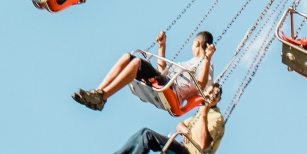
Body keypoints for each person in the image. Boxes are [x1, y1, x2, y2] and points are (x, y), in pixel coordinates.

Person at [72, 29, 214, 112]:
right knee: (127, 56)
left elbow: (200, 85)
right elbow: (161, 70)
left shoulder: (206, 65)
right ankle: (97, 92)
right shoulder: (188, 62)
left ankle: (102, 97)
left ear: (196, 43)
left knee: (137, 62)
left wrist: (207, 58)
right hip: (165, 82)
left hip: (174, 91)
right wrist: (162, 46)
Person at [103, 82, 225, 154]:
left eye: (216, 95)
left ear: (218, 99)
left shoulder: (216, 117)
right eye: (209, 93)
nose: (211, 96)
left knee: (148, 135)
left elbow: (204, 145)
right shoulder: (202, 111)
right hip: (183, 148)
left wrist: (203, 115)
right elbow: (180, 124)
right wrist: (185, 130)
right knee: (143, 132)